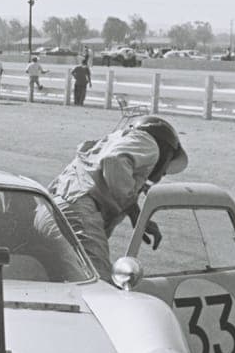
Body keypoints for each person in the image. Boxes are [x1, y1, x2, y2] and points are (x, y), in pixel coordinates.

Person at [44, 115, 188, 281]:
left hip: (50, 208)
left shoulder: (111, 142)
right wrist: (132, 207)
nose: (163, 173)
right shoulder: (148, 142)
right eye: (167, 164)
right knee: (99, 283)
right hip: (78, 209)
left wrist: (135, 212)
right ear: (167, 150)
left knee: (61, 278)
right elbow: (114, 161)